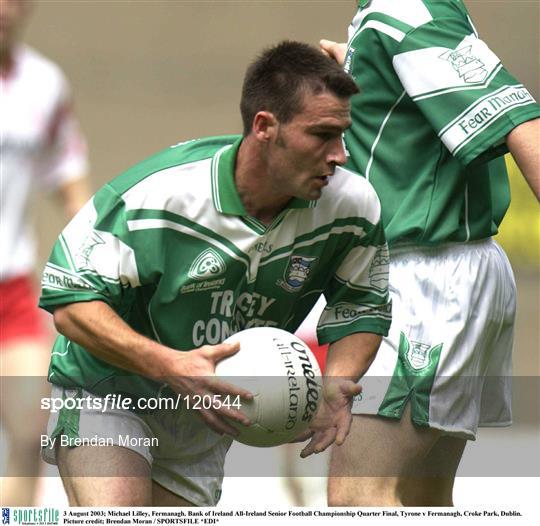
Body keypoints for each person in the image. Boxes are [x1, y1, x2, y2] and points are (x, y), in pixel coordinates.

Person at [37, 41, 392, 507]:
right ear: (265, 126)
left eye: (343, 134)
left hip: (207, 418)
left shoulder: (352, 205)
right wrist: (170, 365)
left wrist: (336, 382)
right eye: (322, 135)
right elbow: (71, 303)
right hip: (109, 390)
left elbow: (362, 305)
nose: (340, 155)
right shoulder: (160, 195)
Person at [319, 0, 540, 506]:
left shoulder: (406, 9)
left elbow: (521, 122)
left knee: (359, 498)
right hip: (433, 273)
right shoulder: (388, 14)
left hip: (426, 280)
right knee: (422, 500)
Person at [0, 0, 90, 505]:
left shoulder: (44, 84)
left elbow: (68, 176)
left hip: (11, 290)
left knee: (32, 429)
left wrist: (96, 249)